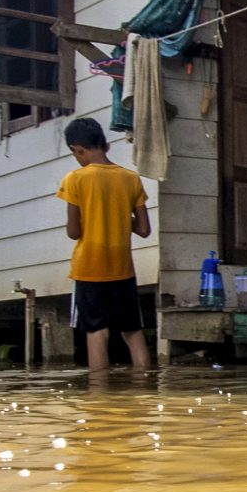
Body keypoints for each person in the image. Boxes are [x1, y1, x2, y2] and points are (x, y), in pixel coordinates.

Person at [57, 116, 152, 374]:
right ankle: (145, 387)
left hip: (89, 268)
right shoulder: (131, 179)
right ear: (106, 145)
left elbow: (73, 231)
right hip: (122, 269)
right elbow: (144, 229)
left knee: (96, 332)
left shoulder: (75, 179)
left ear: (78, 149)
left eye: (76, 153)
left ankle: (99, 396)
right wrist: (119, 214)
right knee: (132, 331)